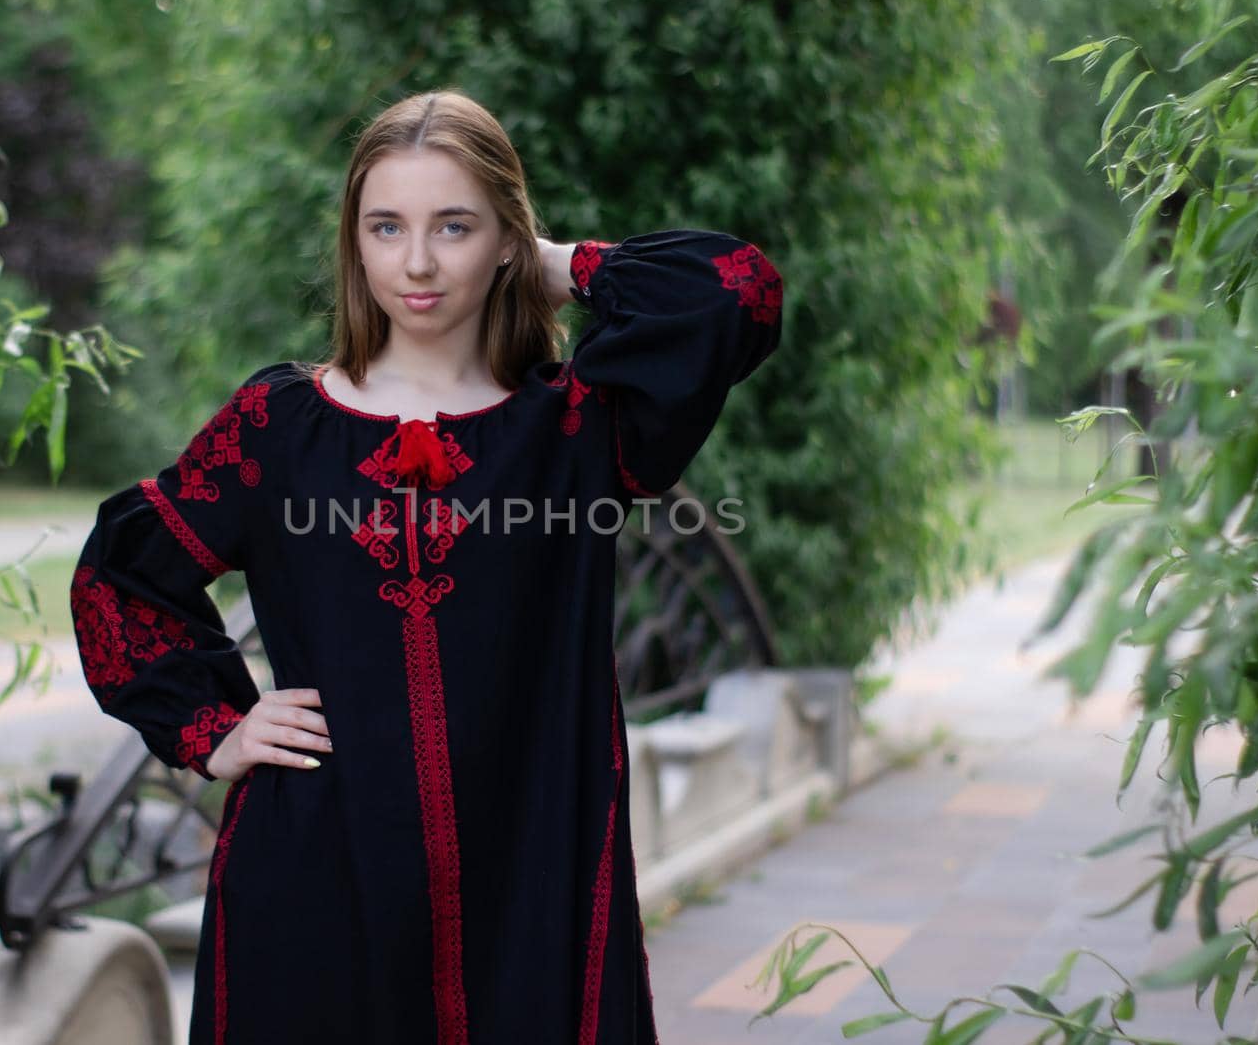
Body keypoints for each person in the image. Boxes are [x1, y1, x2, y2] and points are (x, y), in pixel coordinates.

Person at [69, 88, 783, 1045]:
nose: (414, 261)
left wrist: (550, 265)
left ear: (503, 237)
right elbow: (120, 575)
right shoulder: (279, 429)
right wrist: (219, 727)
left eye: (453, 225)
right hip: (319, 884)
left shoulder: (575, 428)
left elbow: (738, 289)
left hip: (530, 892)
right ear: (353, 243)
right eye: (385, 226)